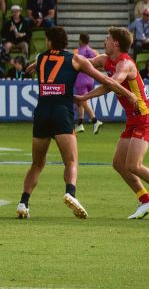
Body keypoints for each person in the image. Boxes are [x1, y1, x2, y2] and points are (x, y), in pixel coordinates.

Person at [16, 26, 134, 220]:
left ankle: (23, 203)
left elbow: (30, 69)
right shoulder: (75, 59)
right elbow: (106, 80)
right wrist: (129, 94)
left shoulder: (41, 58)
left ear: (50, 41)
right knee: (71, 161)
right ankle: (70, 193)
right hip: (62, 113)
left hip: (42, 113)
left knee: (37, 163)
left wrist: (33, 68)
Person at [76, 26, 149, 221]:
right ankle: (145, 200)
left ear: (115, 43)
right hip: (133, 119)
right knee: (118, 163)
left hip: (144, 118)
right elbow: (83, 63)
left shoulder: (125, 64)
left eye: (107, 38)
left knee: (133, 165)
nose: (104, 42)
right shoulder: (105, 60)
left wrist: (84, 96)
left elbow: (112, 83)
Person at [73, 33, 102, 134]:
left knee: (82, 100)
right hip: (91, 79)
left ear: (80, 40)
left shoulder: (77, 51)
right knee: (80, 102)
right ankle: (80, 124)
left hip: (81, 79)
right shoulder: (93, 51)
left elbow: (75, 64)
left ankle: (95, 120)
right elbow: (98, 64)